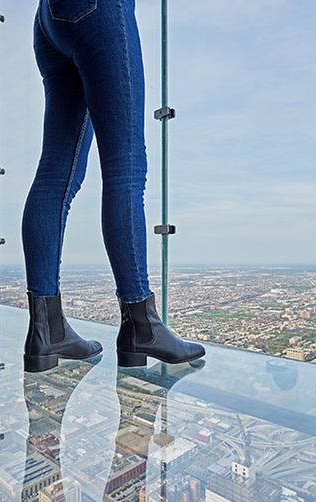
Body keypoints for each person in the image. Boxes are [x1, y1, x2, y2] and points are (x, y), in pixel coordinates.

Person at [22, 0, 205, 372]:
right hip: (98, 10)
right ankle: (141, 325)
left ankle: (47, 329)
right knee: (126, 167)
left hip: (47, 19)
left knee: (55, 174)